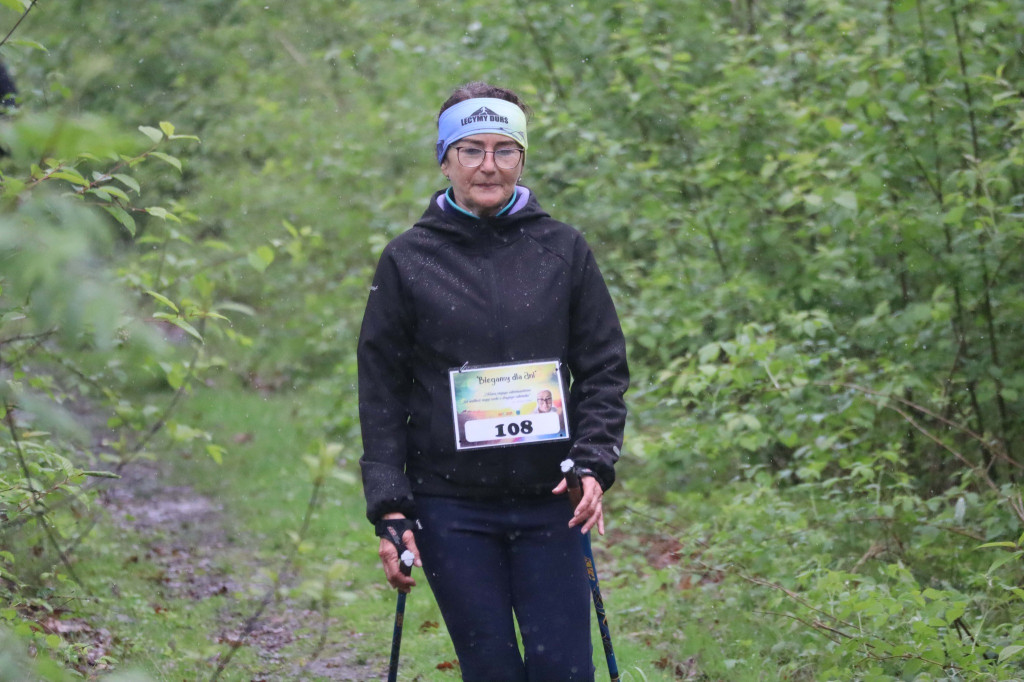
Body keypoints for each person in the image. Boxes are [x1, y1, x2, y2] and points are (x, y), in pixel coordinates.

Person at [358, 81, 629, 682]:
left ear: (522, 158)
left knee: (563, 670)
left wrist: (594, 460)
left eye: (504, 149)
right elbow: (380, 393)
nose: (488, 166)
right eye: (471, 149)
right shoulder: (409, 258)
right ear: (445, 157)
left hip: (551, 503)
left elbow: (605, 367)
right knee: (492, 671)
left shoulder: (563, 248)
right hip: (451, 507)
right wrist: (391, 510)